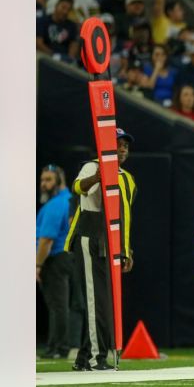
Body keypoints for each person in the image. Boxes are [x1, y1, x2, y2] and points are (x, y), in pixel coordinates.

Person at [64, 129, 137, 371]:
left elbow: (123, 217)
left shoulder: (126, 177)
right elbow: (77, 187)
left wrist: (126, 250)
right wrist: (97, 177)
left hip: (111, 242)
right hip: (91, 236)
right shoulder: (92, 167)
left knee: (104, 302)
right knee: (97, 301)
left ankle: (85, 357)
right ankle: (97, 357)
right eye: (118, 144)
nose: (123, 148)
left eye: (126, 145)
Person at [37, 164, 74, 359]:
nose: (43, 184)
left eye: (48, 180)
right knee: (59, 305)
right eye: (42, 180)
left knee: (57, 305)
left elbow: (46, 240)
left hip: (54, 259)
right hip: (65, 257)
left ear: (59, 181)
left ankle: (59, 348)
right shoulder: (68, 200)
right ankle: (57, 347)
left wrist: (37, 265)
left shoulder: (55, 205)